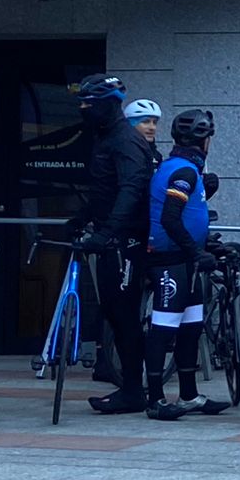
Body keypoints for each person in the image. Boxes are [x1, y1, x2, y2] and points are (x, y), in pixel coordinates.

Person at [66, 76, 157, 415]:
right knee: (115, 314)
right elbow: (105, 188)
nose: (83, 110)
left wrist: (110, 232)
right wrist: (83, 216)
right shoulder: (105, 137)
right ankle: (128, 386)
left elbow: (131, 190)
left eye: (88, 104)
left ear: (107, 104)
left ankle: (134, 390)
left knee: (124, 314)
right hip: (110, 237)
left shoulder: (125, 141)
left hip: (126, 241)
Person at [139, 109, 229, 421]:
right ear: (202, 141)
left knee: (191, 327)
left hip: (185, 260)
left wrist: (207, 246)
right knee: (163, 330)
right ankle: (155, 400)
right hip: (171, 262)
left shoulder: (186, 168)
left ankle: (189, 395)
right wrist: (195, 252)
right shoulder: (183, 171)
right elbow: (170, 218)